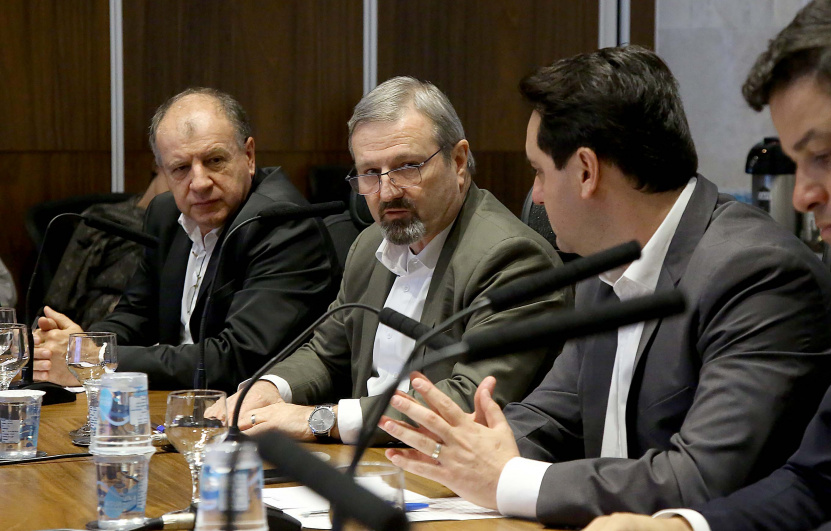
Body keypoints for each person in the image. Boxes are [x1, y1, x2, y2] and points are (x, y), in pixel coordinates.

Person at [380, 46, 831, 527]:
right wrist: (468, 448)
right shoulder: (604, 265)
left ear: (586, 171)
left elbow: (700, 479)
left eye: (539, 171)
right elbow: (555, 415)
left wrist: (507, 479)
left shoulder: (757, 276)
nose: (535, 195)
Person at [579, 0, 831, 531]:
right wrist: (681, 527)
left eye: (824, 155)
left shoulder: (759, 271)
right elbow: (817, 479)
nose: (802, 196)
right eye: (796, 163)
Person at [217, 76, 570, 444]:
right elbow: (326, 353)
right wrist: (269, 388)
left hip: (440, 468)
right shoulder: (369, 245)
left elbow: (468, 400)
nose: (386, 192)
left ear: (458, 161)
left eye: (406, 167)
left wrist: (321, 420)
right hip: (364, 458)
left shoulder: (511, 258)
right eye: (370, 173)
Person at [32, 87, 339, 391]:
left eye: (215, 160)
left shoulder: (283, 223)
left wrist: (99, 359)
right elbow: (137, 314)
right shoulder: (166, 214)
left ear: (248, 156)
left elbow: (238, 359)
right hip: (176, 399)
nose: (200, 183)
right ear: (163, 172)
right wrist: (80, 346)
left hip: (246, 406)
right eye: (180, 168)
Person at [42, 167, 169, 328]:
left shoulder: (186, 230)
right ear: (158, 164)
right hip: (99, 319)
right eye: (180, 168)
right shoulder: (104, 218)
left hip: (158, 318)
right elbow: (63, 292)